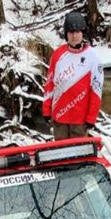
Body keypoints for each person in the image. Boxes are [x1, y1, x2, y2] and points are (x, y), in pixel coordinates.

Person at [42, 11, 103, 139]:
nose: (74, 36)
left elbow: (96, 90)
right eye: (70, 32)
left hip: (80, 121)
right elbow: (50, 84)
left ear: (82, 33)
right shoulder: (57, 55)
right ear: (66, 34)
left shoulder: (93, 57)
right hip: (59, 118)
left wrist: (91, 118)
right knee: (60, 150)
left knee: (79, 151)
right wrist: (46, 110)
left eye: (77, 32)